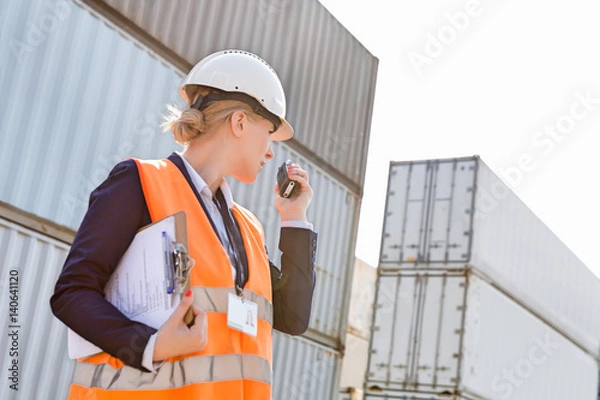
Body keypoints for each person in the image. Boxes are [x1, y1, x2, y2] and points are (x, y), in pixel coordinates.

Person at [50, 49, 317, 399]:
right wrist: (150, 346)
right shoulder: (140, 182)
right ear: (239, 123)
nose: (270, 151)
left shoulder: (247, 226)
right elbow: (73, 292)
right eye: (268, 133)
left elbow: (292, 317)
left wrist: (294, 218)